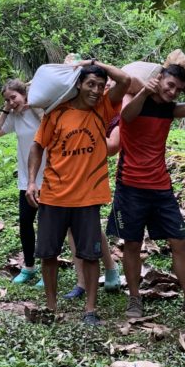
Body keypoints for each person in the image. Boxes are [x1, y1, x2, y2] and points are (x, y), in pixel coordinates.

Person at [27, 60, 130, 326]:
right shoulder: (56, 113)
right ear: (79, 84)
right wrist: (31, 182)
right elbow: (37, 146)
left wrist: (93, 63)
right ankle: (51, 306)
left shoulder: (102, 108)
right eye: (90, 84)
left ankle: (90, 310)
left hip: (88, 198)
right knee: (48, 254)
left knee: (90, 255)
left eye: (100, 85)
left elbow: (125, 81)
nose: (95, 90)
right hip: (53, 195)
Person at [110, 64, 185, 321]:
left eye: (178, 89)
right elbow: (127, 116)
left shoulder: (169, 109)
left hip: (161, 187)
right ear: (158, 80)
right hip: (130, 186)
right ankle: (135, 298)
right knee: (132, 243)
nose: (173, 92)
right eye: (170, 85)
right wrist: (146, 91)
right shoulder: (134, 99)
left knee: (180, 241)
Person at [0, 79, 45, 284]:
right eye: (7, 99)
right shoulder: (15, 116)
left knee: (46, 225)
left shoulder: (39, 111)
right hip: (27, 180)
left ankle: (47, 269)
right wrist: (6, 109)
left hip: (47, 177)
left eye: (13, 97)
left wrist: (35, 105)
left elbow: (50, 126)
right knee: (25, 223)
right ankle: (29, 267)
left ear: (24, 94)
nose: (12, 102)